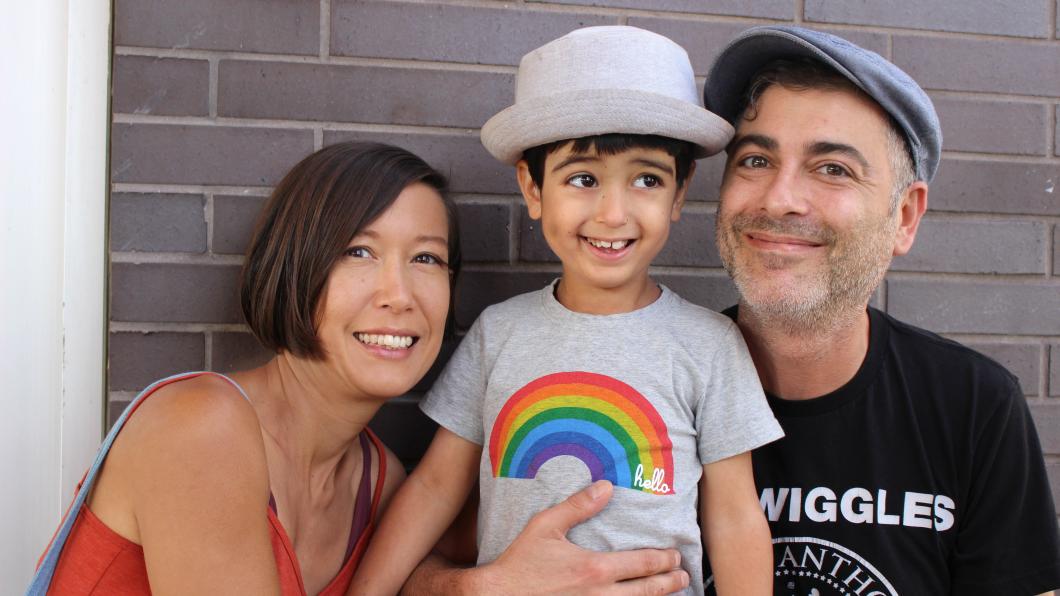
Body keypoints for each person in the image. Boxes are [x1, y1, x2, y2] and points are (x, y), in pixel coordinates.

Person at [351, 26, 783, 595]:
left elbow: (733, 517)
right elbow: (436, 488)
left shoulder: (710, 343)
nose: (612, 213)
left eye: (647, 180)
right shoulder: (498, 334)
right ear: (532, 188)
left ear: (680, 192)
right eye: (582, 179)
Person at [697, 26, 1060, 594]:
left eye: (833, 168)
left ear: (905, 218)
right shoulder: (650, 379)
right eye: (755, 160)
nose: (778, 198)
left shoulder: (972, 407)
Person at [29, 142, 463, 594]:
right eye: (358, 251)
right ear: (294, 267)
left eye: (426, 258)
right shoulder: (200, 427)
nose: (399, 294)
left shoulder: (377, 483)